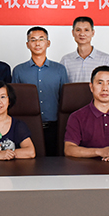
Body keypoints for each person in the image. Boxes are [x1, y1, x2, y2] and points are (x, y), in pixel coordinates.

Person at [12, 26, 68, 156]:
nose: (37, 43)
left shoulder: (60, 69)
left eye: (41, 39)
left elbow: (64, 100)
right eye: (33, 40)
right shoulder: (19, 70)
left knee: (54, 162)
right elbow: (15, 102)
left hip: (54, 127)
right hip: (26, 127)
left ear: (48, 43)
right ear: (27, 44)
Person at [60, 17, 109, 83]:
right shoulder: (65, 60)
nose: (82, 34)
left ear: (93, 33)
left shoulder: (105, 59)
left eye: (86, 30)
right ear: (73, 33)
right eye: (78, 30)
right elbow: (61, 85)